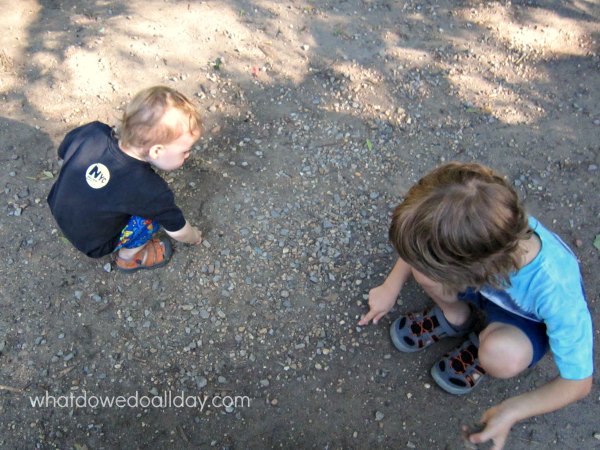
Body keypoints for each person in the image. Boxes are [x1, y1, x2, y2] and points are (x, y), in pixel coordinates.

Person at [358, 162, 593, 450]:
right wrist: (391, 285)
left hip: (523, 319)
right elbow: (424, 241)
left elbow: (578, 383)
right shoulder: (481, 220)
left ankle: (482, 346)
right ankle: (455, 317)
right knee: (424, 269)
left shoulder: (556, 289)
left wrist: (512, 410)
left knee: (502, 356)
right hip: (480, 281)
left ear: (473, 265)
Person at [48, 86, 204, 272]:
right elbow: (177, 230)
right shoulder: (150, 189)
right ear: (156, 151)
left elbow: (63, 154)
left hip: (58, 206)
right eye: (185, 150)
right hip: (94, 243)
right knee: (152, 218)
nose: (188, 155)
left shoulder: (93, 132)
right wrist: (194, 235)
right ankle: (128, 258)